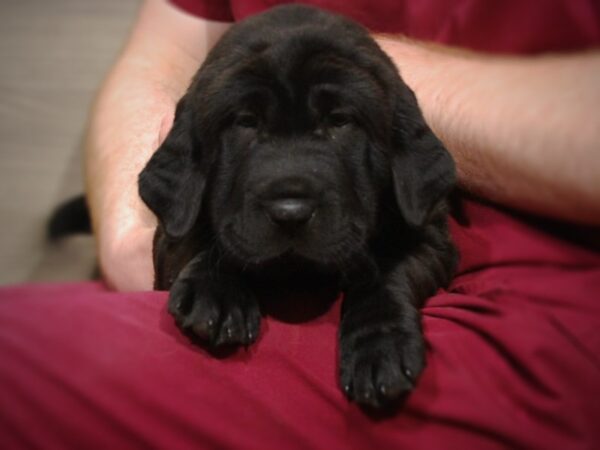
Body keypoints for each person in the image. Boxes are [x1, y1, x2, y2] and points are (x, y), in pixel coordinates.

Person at [1, 0, 599, 448]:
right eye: (247, 124)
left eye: (335, 121)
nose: (289, 199)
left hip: (526, 302)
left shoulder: (396, 141)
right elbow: (164, 58)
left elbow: (426, 235)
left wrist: (381, 297)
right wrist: (162, 244)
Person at [84, 0, 600, 291]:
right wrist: (139, 235)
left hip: (497, 280)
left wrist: (365, 72)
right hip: (234, 261)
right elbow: (166, 54)